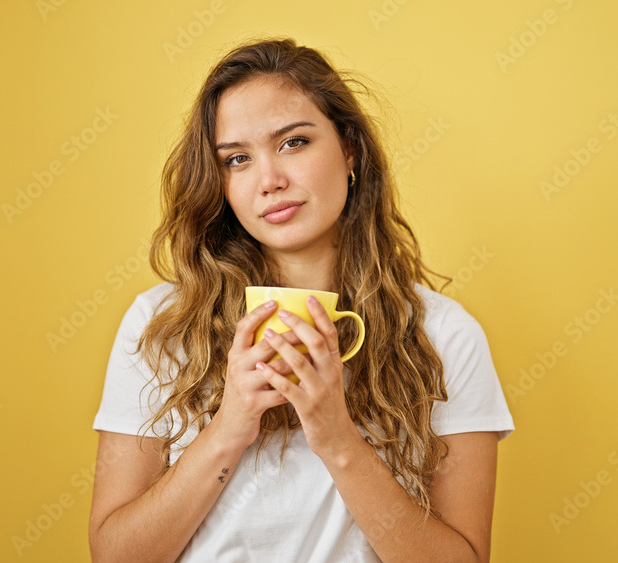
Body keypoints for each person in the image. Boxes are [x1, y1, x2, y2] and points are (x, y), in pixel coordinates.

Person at [88, 37, 514, 562]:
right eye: (238, 159)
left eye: (294, 142)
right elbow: (116, 557)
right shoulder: (159, 324)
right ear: (219, 183)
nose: (270, 180)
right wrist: (228, 427)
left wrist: (338, 439)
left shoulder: (444, 335)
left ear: (349, 149)